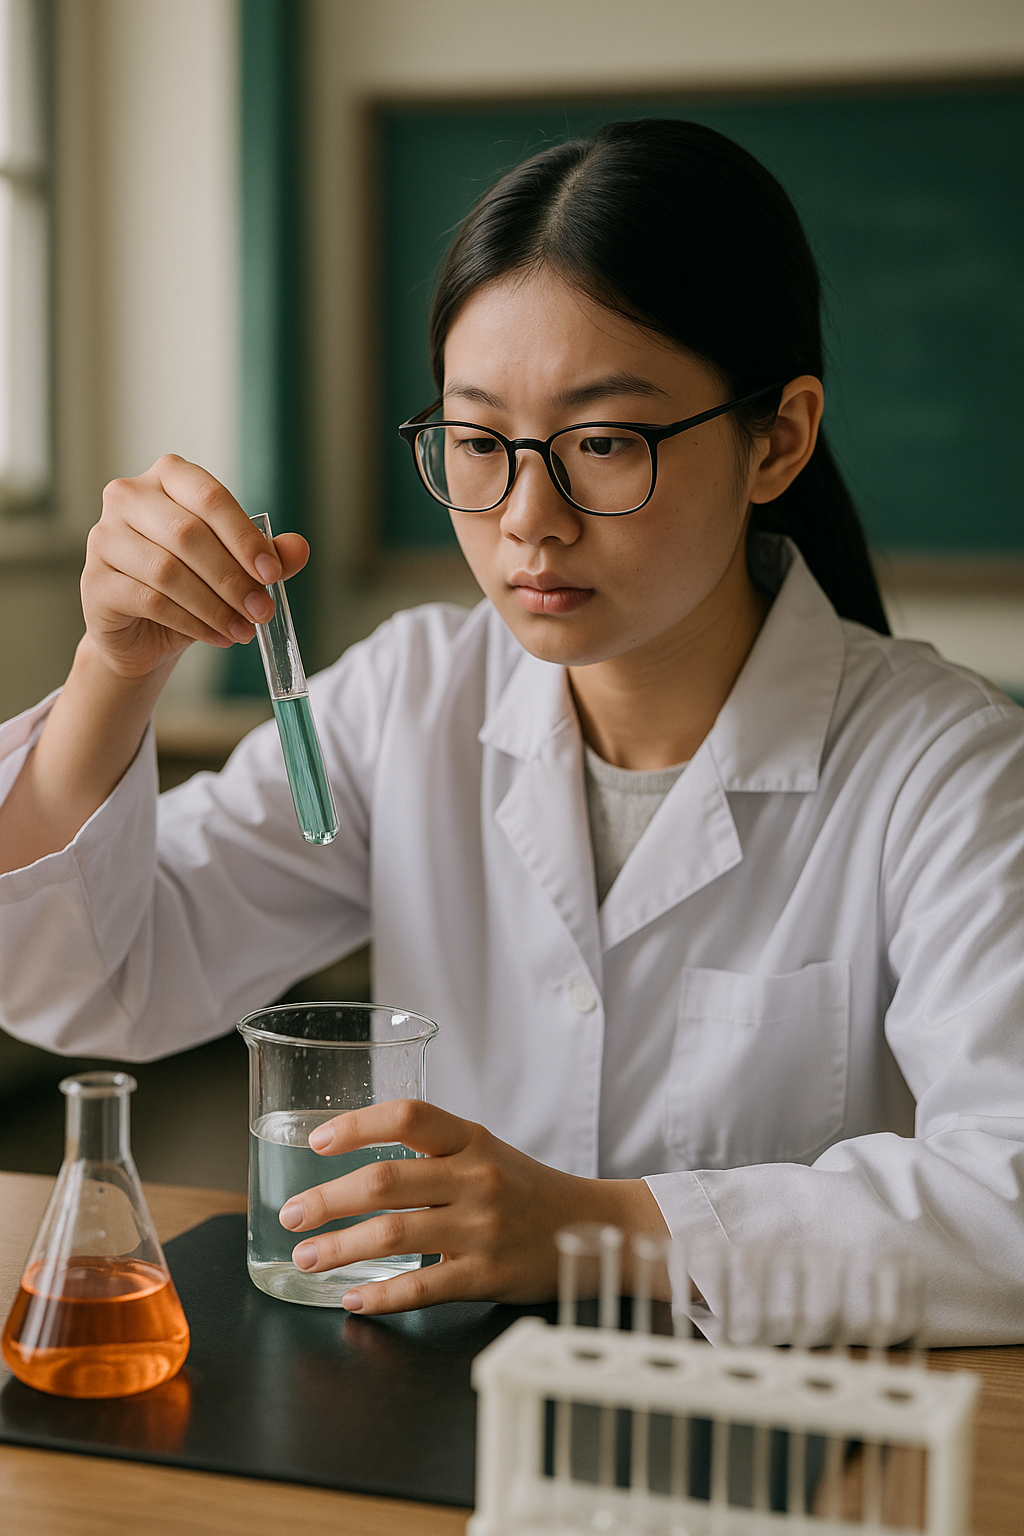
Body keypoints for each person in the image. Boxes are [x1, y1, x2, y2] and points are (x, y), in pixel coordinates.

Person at [1, 119, 1023, 1342]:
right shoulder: (409, 698)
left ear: (778, 438)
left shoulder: (944, 768)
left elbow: (1005, 1195)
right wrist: (116, 667)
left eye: (603, 443)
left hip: (765, 1440)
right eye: (480, 443)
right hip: (442, 1417)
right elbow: (97, 987)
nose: (528, 519)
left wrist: (598, 1229)